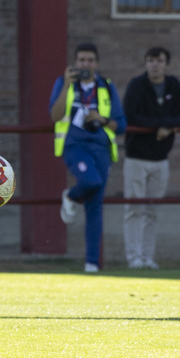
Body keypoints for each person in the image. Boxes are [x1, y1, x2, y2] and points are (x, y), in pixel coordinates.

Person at [50, 42, 126, 273]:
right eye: (81, 60)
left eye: (90, 60)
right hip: (74, 145)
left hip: (101, 147)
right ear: (75, 63)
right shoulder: (64, 83)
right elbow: (54, 115)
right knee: (90, 181)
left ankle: (92, 263)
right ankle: (71, 196)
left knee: (95, 205)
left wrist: (100, 119)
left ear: (97, 63)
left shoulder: (106, 86)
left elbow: (120, 125)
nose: (86, 64)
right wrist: (66, 84)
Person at [121, 46, 180, 270]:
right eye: (150, 60)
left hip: (161, 159)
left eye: (159, 60)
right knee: (134, 208)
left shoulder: (174, 85)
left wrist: (168, 126)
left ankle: (148, 257)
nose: (155, 64)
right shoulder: (136, 85)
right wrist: (158, 127)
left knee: (152, 209)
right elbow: (130, 115)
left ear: (166, 63)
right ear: (145, 63)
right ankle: (134, 258)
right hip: (136, 157)